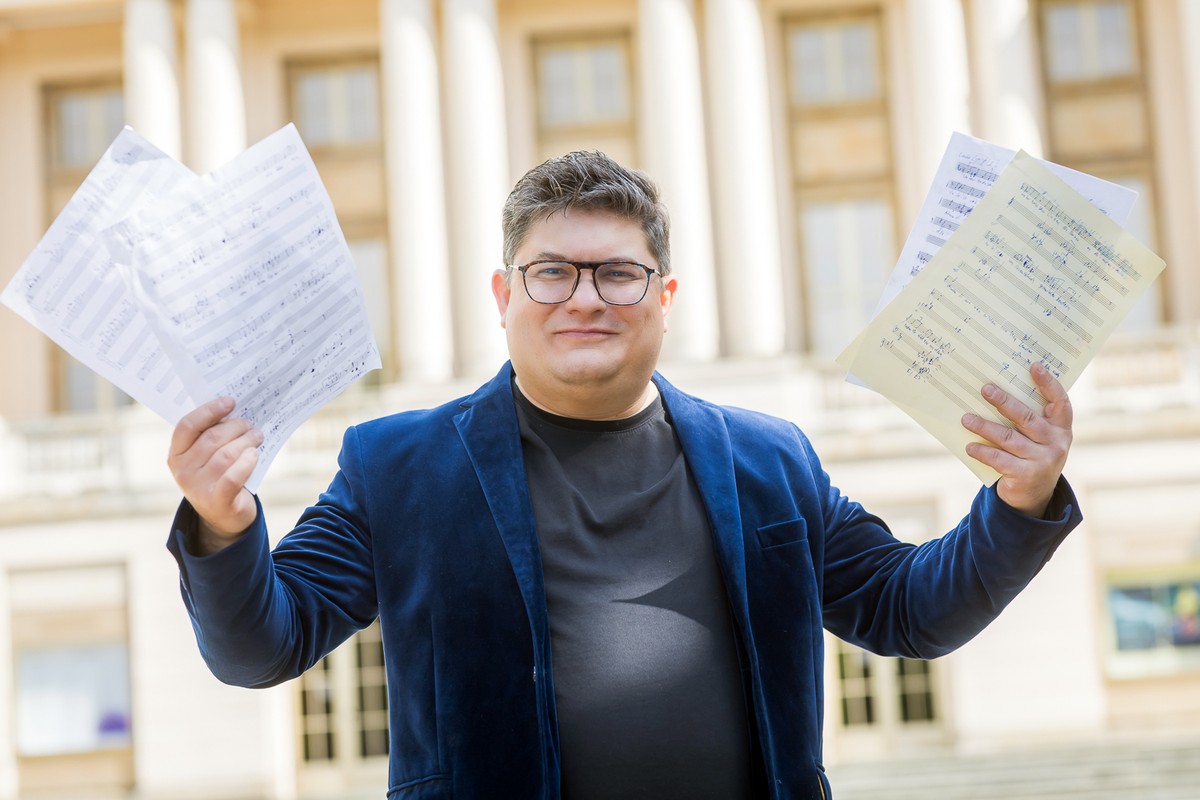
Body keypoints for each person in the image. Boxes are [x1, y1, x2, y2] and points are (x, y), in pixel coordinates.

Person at [166, 151, 1080, 800]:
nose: (586, 299)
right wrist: (221, 523)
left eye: (619, 274)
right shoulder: (396, 465)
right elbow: (261, 647)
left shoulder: (770, 458)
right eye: (552, 273)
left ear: (665, 298)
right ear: (504, 296)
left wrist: (1022, 497)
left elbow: (908, 610)